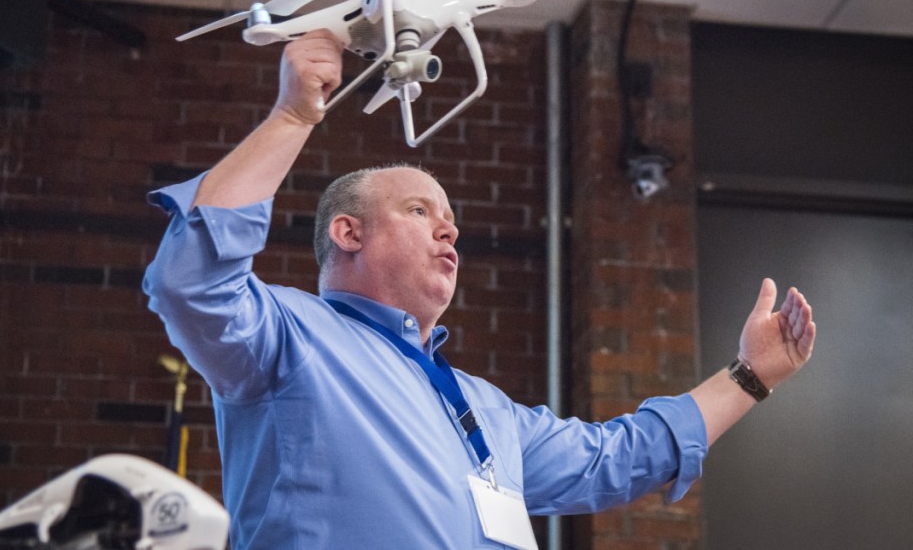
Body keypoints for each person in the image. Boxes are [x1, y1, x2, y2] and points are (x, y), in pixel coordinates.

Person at [143, 29, 816, 549]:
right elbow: (191, 282)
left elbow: (618, 456)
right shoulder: (290, 336)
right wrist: (292, 116)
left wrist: (752, 375)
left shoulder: (485, 409)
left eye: (452, 223)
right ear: (348, 232)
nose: (449, 233)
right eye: (419, 212)